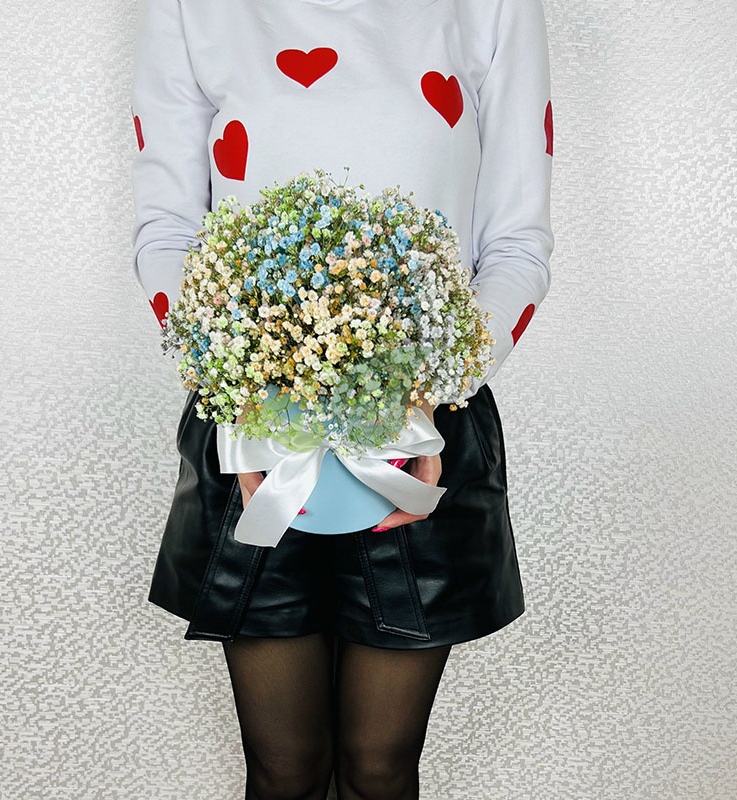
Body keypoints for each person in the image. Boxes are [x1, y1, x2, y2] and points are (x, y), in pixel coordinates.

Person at [129, 0, 553, 797]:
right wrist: (247, 393)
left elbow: (516, 247)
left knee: (378, 770)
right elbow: (168, 232)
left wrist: (425, 396)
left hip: (428, 431)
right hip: (250, 430)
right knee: (284, 771)